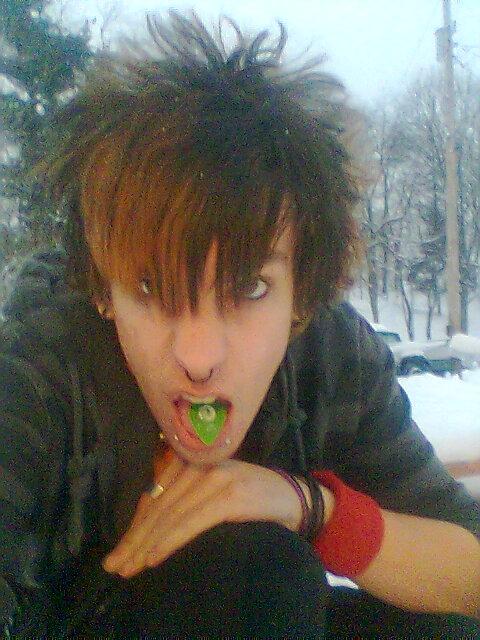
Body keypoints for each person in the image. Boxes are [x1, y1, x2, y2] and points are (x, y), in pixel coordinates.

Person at [0, 10, 479, 639]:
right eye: (151, 288)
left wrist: (311, 509)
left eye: (249, 288)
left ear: (303, 294)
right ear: (102, 289)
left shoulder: (333, 359)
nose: (199, 357)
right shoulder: (42, 368)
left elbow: (468, 570)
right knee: (249, 570)